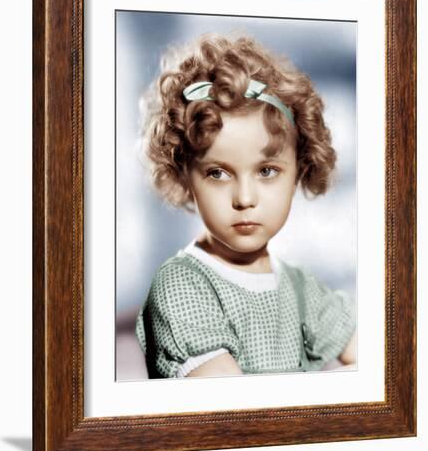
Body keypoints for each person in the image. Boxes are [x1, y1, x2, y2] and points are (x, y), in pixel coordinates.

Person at [135, 32, 356, 379]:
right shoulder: (181, 287)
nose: (245, 198)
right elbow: (237, 411)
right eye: (218, 173)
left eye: (267, 171)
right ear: (184, 177)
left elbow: (383, 363)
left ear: (299, 171)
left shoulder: (300, 289)